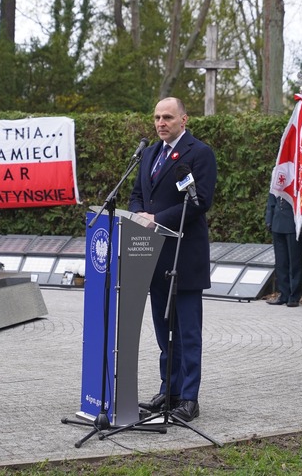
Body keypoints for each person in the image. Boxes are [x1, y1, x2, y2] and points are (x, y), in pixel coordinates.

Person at [128, 97, 217, 422]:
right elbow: (137, 194)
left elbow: (200, 202)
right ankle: (170, 390)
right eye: (156, 117)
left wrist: (157, 217)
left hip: (184, 254)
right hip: (154, 256)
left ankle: (189, 399)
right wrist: (139, 214)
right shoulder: (149, 153)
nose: (161, 123)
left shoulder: (199, 153)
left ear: (184, 119)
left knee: (187, 333)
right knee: (164, 330)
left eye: (167, 117)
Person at [265, 194, 302, 307]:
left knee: (294, 262)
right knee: (281, 262)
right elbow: (272, 198)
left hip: (294, 224)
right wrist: (269, 219)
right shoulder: (278, 177)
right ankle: (284, 294)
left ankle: (294, 296)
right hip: (278, 223)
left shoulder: (298, 177)